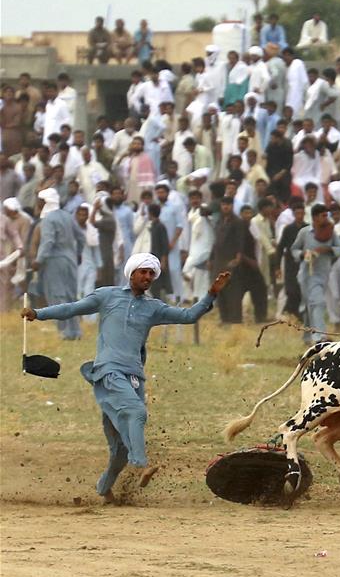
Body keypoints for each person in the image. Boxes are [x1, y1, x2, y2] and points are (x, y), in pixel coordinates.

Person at [22, 254, 230, 503]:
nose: (148, 277)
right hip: (107, 371)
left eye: (152, 274)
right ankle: (141, 465)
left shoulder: (154, 307)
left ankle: (104, 489)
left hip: (134, 377)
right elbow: (71, 309)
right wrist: (37, 313)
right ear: (131, 273)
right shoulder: (106, 295)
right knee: (137, 412)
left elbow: (188, 316)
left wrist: (211, 294)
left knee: (120, 449)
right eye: (143, 272)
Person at [32, 188, 84, 339]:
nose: (38, 204)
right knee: (70, 296)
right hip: (70, 260)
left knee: (58, 296)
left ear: (46, 202)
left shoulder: (48, 219)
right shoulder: (68, 216)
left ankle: (65, 332)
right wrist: (78, 253)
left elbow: (48, 241)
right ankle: (76, 331)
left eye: (40, 201)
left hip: (54, 261)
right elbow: (81, 237)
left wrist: (38, 260)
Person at [291, 203, 340, 342]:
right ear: (315, 218)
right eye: (323, 216)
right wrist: (304, 254)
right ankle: (320, 337)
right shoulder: (304, 232)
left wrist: (327, 250)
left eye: (327, 216)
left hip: (324, 274)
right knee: (318, 302)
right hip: (307, 274)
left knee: (310, 304)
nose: (326, 219)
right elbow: (294, 250)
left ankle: (307, 336)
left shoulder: (330, 232)